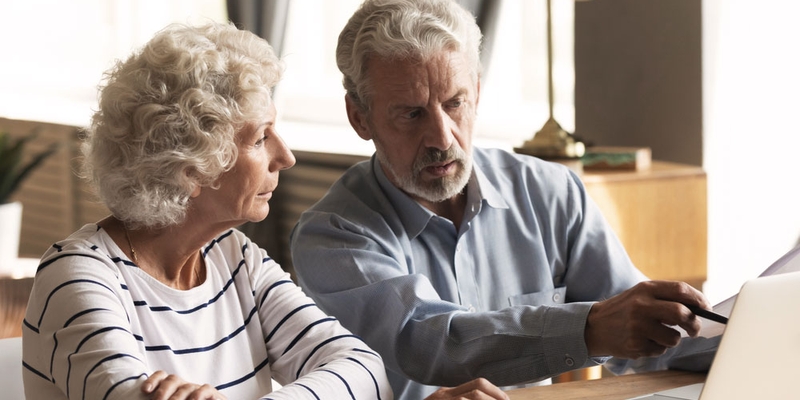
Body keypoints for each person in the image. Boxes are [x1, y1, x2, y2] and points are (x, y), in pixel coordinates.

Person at [20, 21, 507, 400]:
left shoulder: (233, 257)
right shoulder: (79, 276)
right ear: (191, 167)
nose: (286, 156)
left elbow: (361, 369)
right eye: (260, 138)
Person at [289, 0, 716, 399]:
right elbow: (429, 341)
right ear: (359, 116)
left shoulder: (551, 193)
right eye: (411, 113)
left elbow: (648, 333)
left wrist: (751, 336)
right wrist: (588, 329)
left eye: (455, 103)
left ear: (476, 90)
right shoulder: (332, 235)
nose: (441, 138)